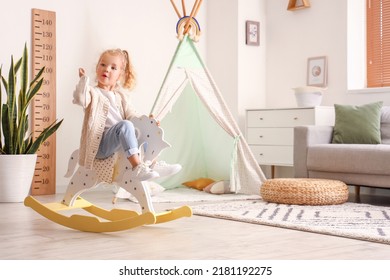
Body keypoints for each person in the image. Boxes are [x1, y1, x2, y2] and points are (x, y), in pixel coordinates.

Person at [73, 48, 180, 181]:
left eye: (113, 67)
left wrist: (148, 121)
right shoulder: (92, 93)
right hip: (100, 145)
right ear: (97, 68)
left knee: (143, 128)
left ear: (120, 75)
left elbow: (133, 116)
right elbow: (80, 98)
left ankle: (152, 163)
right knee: (125, 125)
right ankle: (137, 167)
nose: (106, 69)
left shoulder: (121, 96)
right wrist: (83, 81)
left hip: (118, 139)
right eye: (103, 65)